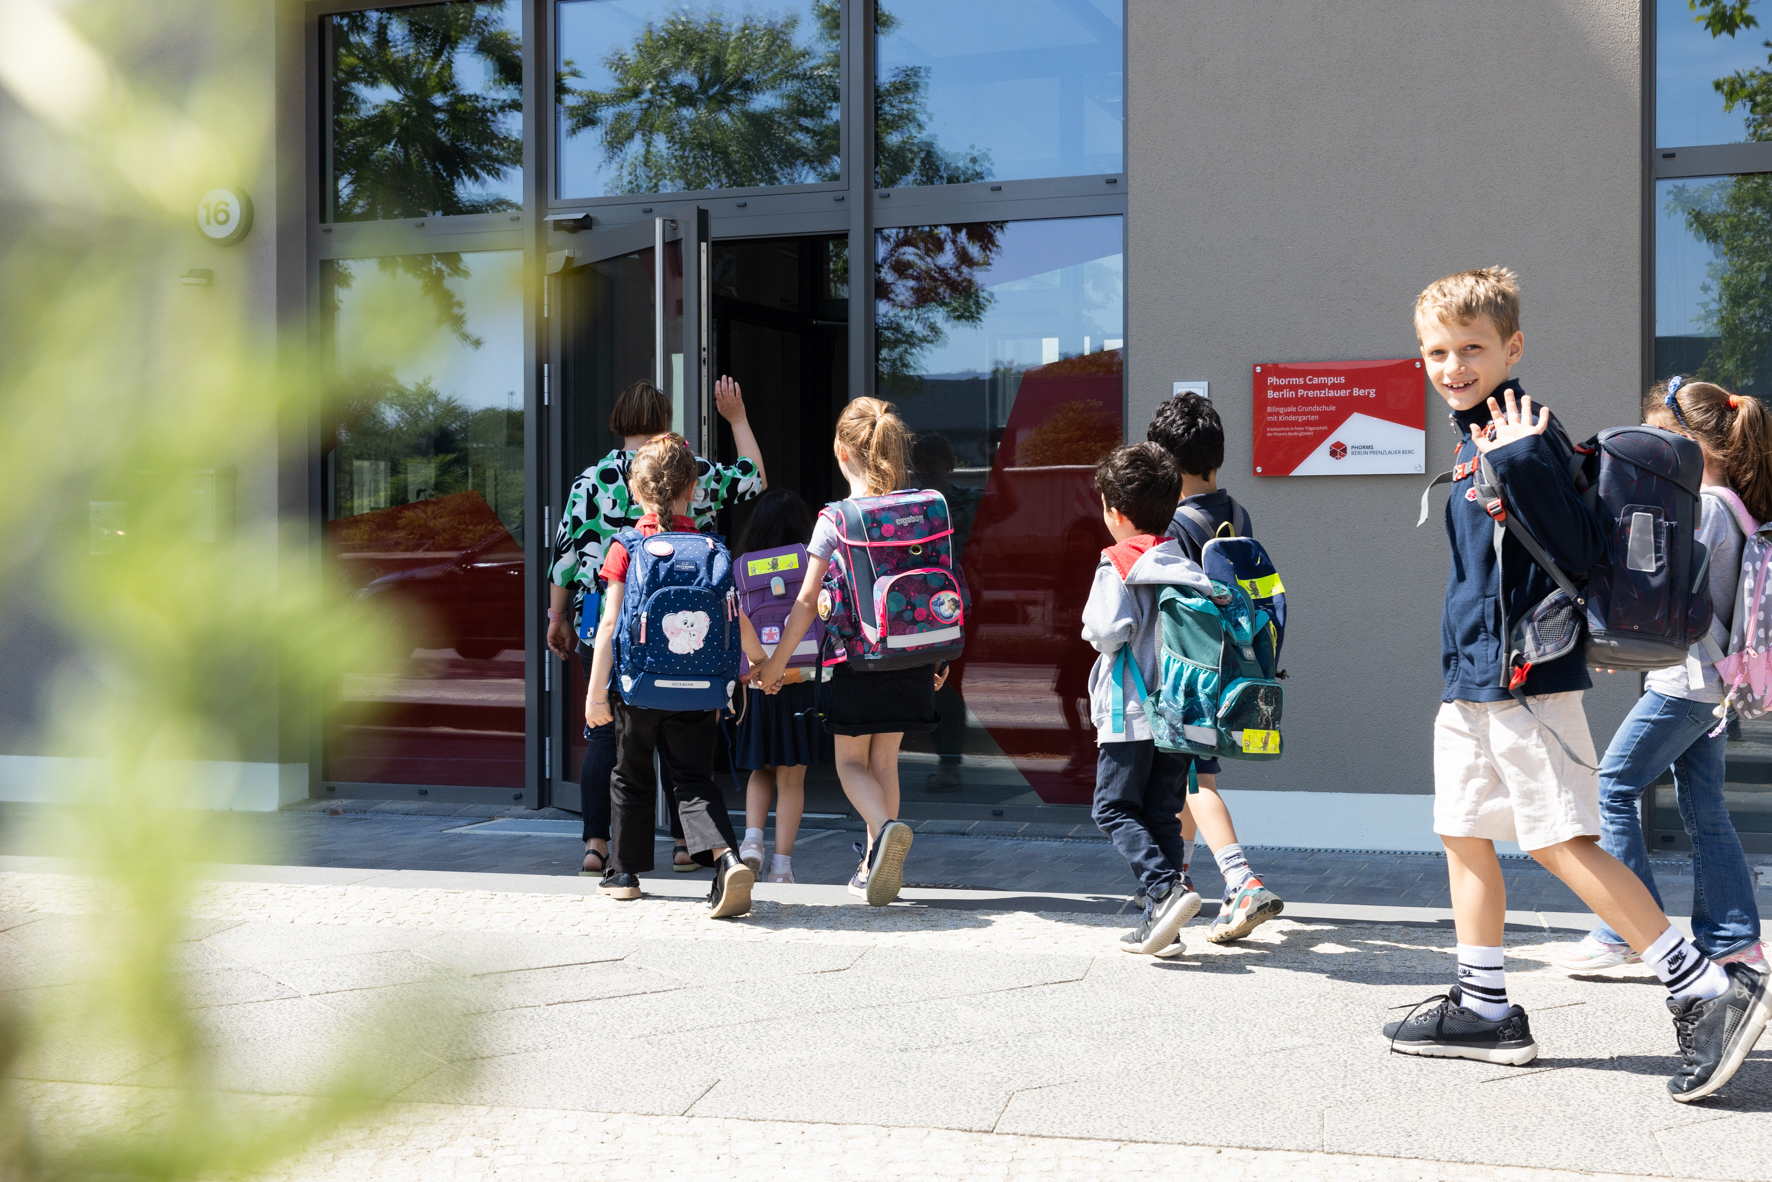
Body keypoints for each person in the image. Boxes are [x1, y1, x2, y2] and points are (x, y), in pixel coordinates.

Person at [1384, 266, 1770, 1103]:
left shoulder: (1527, 432)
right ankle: (1484, 1004)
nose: (1453, 365)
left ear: (1511, 347)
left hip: (1525, 680)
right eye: (1437, 351)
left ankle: (1705, 988)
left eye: (1472, 348)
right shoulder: (1474, 434)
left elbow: (1582, 549)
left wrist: (1522, 460)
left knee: (1561, 838)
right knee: (1461, 829)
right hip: (1474, 679)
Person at [1549, 377, 1766, 974]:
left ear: (1692, 443)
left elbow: (1665, 595)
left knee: (1610, 789)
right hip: (1711, 685)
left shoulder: (1711, 511)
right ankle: (1734, 939)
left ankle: (1623, 929)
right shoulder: (1739, 509)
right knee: (1705, 807)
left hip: (1687, 685)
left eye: (1660, 439)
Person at [547, 377, 765, 877]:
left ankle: (601, 850)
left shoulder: (589, 481)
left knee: (613, 744)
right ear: (666, 426)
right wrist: (736, 420)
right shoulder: (690, 471)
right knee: (684, 748)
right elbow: (753, 478)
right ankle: (691, 847)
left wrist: (557, 617)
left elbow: (563, 558)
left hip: (611, 629)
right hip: (690, 636)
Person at [750, 398, 943, 906]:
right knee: (886, 761)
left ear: (841, 451)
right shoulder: (920, 509)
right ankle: (873, 870)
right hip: (915, 653)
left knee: (850, 763)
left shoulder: (836, 518)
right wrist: (939, 657)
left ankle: (883, 833)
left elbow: (807, 602)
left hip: (857, 657)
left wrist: (773, 666)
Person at [587, 434, 757, 917]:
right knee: (693, 778)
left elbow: (608, 625)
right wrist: (761, 662)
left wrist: (597, 694)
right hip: (700, 688)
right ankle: (726, 859)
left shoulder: (627, 546)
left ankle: (624, 872)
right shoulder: (710, 547)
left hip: (638, 687)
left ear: (634, 492)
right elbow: (736, 616)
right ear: (693, 489)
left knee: (630, 773)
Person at [1146, 391, 1286, 943]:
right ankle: (1180, 884)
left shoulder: (1178, 523)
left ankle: (1239, 882)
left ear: (1166, 462)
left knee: (1193, 779)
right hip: (1237, 666)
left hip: (1193, 673)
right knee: (1187, 777)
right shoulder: (1237, 513)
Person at [1081, 442, 1210, 955]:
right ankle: (1162, 925)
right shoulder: (1183, 560)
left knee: (1112, 808)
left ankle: (1164, 889)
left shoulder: (1117, 563)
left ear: (1115, 513)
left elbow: (1106, 631)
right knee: (1161, 814)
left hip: (1131, 712)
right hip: (1181, 712)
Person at [730, 489, 829, 884]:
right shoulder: (812, 561)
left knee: (761, 769)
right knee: (792, 777)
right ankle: (782, 868)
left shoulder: (741, 567)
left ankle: (752, 841)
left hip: (756, 684)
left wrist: (756, 669)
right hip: (801, 680)